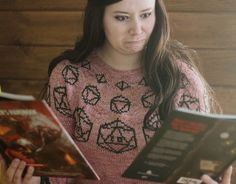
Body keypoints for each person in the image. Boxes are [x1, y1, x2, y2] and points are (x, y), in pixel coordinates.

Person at [1, 0, 233, 183]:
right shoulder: (68, 76)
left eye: (146, 14)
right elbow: (57, 173)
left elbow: (192, 175)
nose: (137, 29)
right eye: (122, 17)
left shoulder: (183, 80)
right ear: (99, 17)